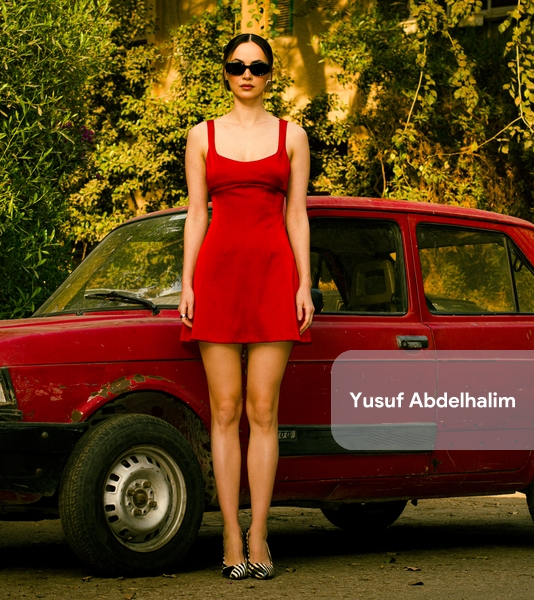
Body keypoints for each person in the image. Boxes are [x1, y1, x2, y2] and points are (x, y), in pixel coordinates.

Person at [178, 32, 313, 580]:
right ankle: (230, 535)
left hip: (274, 279)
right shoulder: (202, 136)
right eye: (237, 66)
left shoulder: (293, 135)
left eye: (257, 66)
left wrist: (305, 284)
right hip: (217, 280)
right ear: (225, 73)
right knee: (225, 410)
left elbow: (298, 215)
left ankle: (260, 534)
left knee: (263, 411)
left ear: (270, 73)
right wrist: (185, 283)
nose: (247, 74)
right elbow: (195, 215)